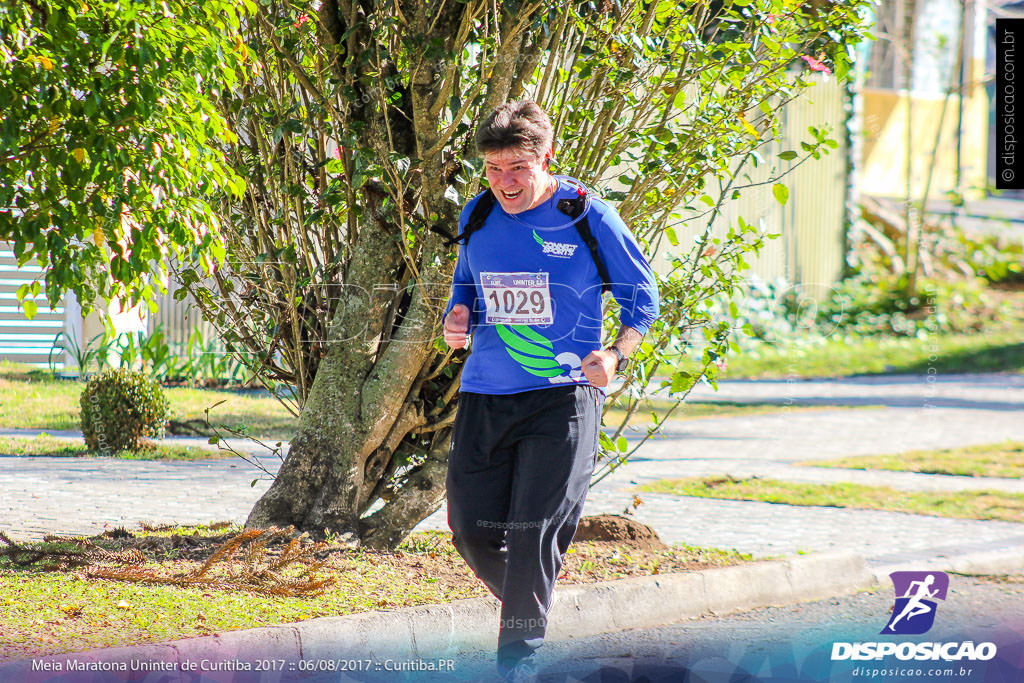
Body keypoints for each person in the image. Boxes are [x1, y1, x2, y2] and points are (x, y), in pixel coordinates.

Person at [441, 99, 660, 681]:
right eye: (493, 169)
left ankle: (519, 660)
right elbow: (466, 283)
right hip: (487, 390)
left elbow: (644, 297)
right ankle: (531, 595)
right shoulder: (479, 213)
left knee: (533, 532)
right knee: (470, 529)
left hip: (562, 398)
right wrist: (457, 313)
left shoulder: (586, 214)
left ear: (546, 156)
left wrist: (616, 353)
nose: (505, 182)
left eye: (517, 167)